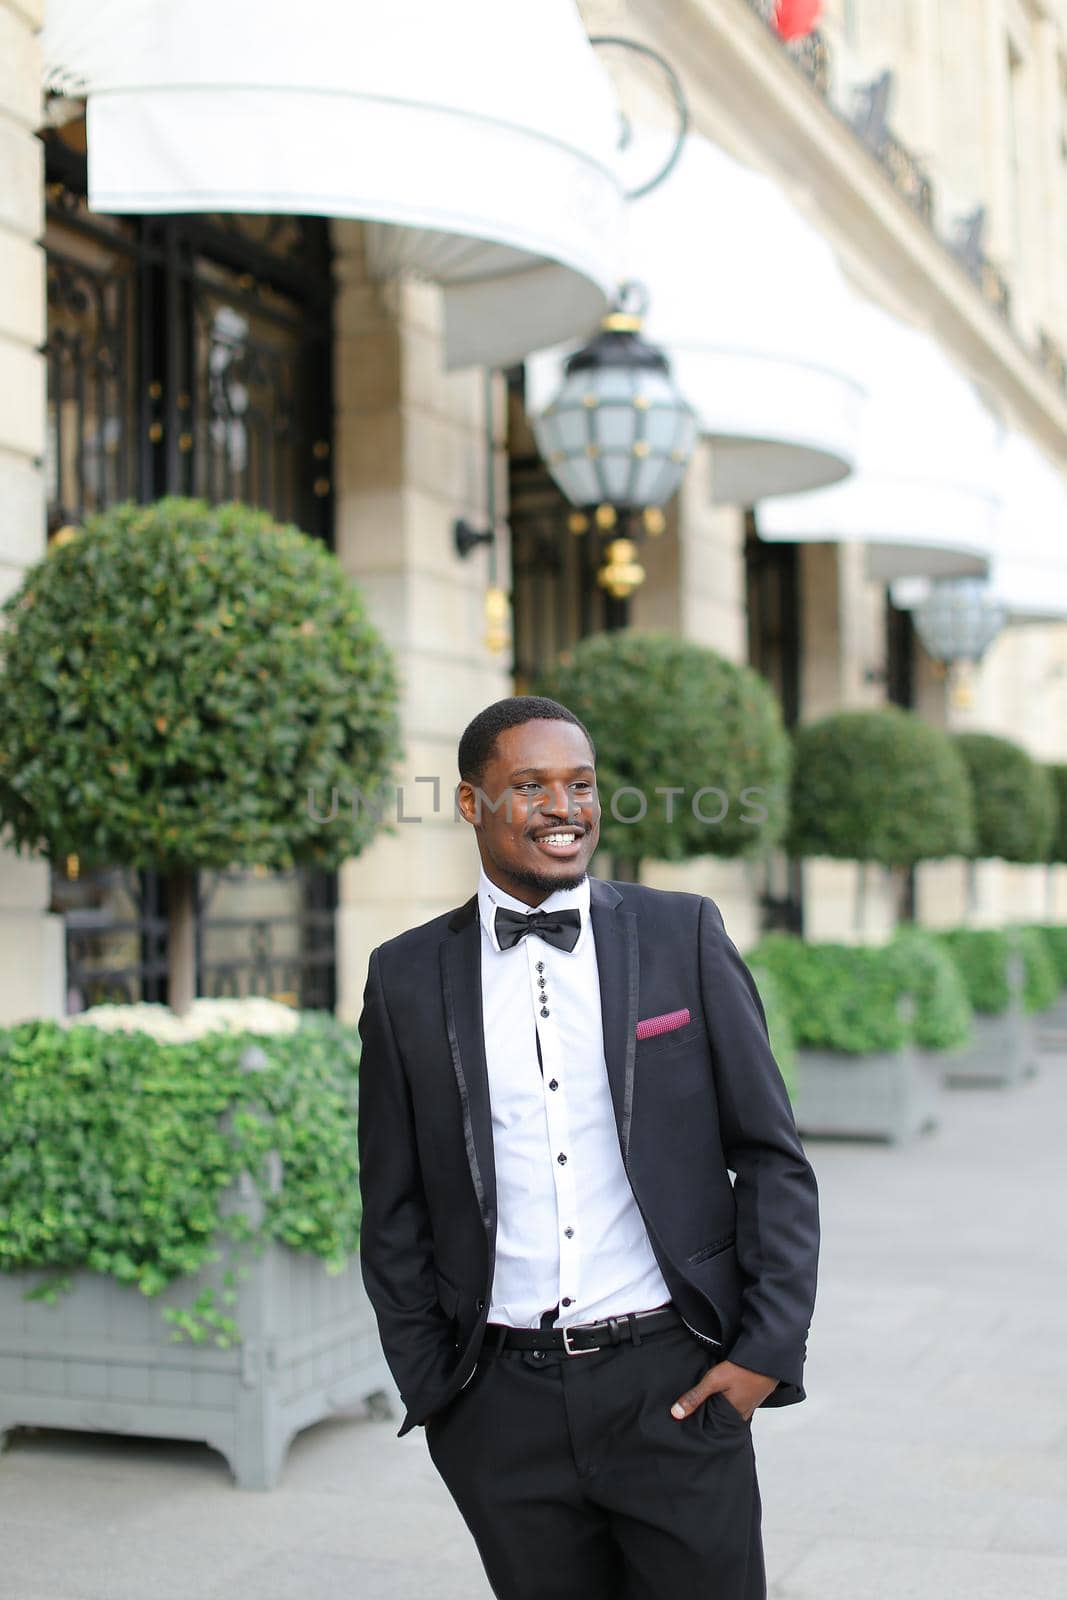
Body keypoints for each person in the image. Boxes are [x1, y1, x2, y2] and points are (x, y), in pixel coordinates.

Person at [356, 695, 820, 1600]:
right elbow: (392, 1203)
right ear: (470, 803)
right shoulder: (403, 976)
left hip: (672, 1385)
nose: (564, 807)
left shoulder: (680, 933)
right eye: (529, 786)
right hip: (500, 1406)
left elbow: (769, 1154)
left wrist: (766, 1351)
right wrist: (441, 1393)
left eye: (580, 784)